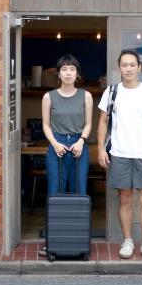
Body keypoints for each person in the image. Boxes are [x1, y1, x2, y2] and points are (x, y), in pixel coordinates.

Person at [97, 50, 142, 261]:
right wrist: (100, 149)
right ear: (119, 68)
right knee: (124, 198)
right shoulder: (111, 92)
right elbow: (103, 121)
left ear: (139, 67)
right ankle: (127, 241)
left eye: (132, 65)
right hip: (119, 153)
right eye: (124, 65)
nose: (128, 69)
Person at [39, 54, 93, 257]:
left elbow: (88, 124)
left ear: (77, 74)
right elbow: (46, 125)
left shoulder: (86, 96)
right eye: (64, 69)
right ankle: (52, 241)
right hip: (57, 144)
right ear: (58, 74)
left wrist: (81, 141)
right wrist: (55, 144)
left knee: (79, 191)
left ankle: (78, 241)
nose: (68, 73)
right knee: (55, 192)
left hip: (79, 144)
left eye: (72, 69)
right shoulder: (49, 97)